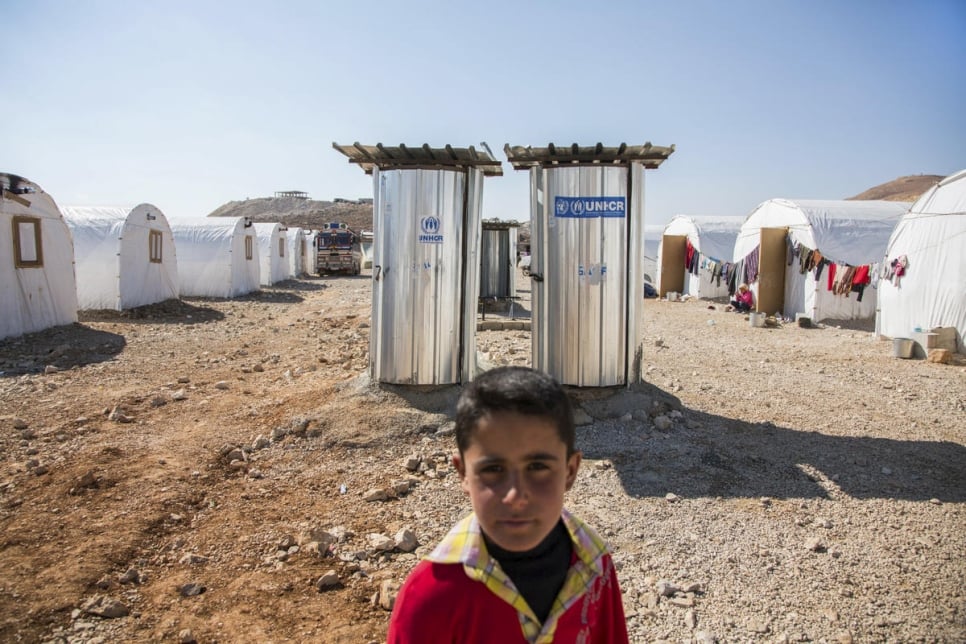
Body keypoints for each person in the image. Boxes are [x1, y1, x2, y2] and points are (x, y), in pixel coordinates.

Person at [386, 366, 629, 643]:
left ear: (570, 471)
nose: (515, 495)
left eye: (537, 467)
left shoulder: (595, 566)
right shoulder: (431, 595)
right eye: (493, 469)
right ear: (463, 473)